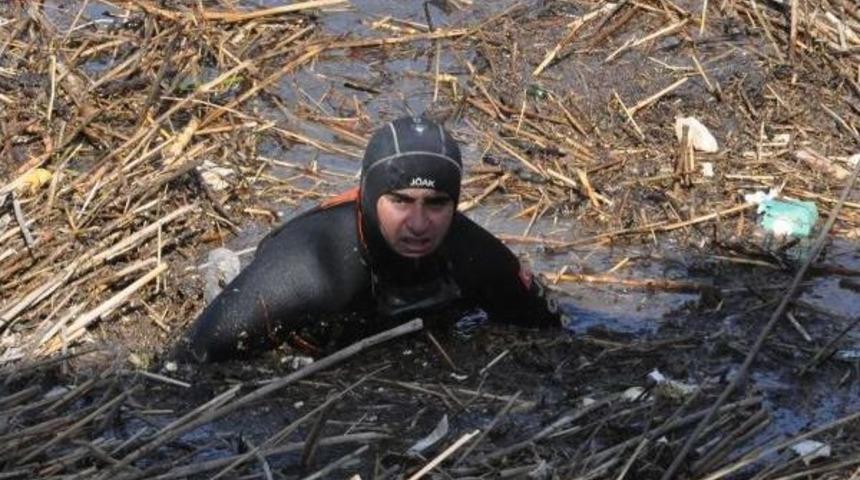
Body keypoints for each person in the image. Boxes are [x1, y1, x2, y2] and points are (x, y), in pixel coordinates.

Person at [184, 115, 562, 362]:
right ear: (367, 196)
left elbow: (547, 326)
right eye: (400, 201)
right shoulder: (311, 266)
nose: (418, 223)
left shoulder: (471, 254)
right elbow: (194, 358)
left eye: (436, 203)